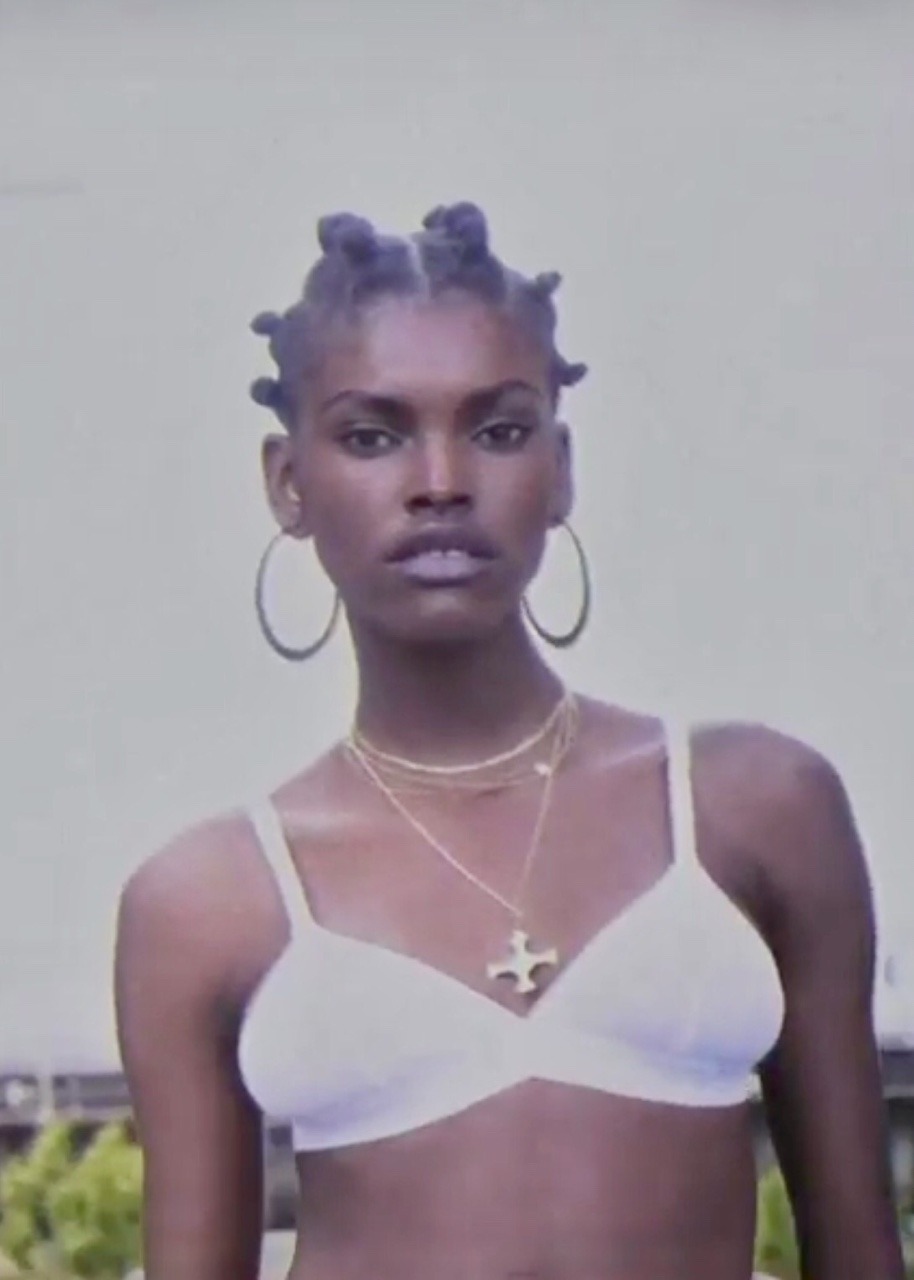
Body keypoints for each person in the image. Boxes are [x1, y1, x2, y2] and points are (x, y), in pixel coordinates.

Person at [114, 202, 903, 1280]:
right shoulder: (209, 900)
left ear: (561, 467)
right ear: (288, 482)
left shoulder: (754, 808)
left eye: (497, 429)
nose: (440, 482)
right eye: (372, 434)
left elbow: (860, 1255)